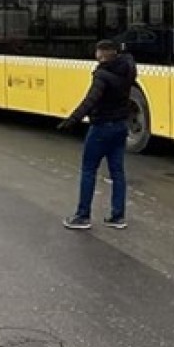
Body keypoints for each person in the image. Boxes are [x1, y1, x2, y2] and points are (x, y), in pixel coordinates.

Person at [60, 39, 136, 231]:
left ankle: (82, 216)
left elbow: (90, 101)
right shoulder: (127, 69)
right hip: (120, 126)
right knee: (117, 172)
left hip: (101, 127)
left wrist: (72, 120)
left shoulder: (102, 75)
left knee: (88, 170)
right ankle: (118, 217)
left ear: (101, 53)